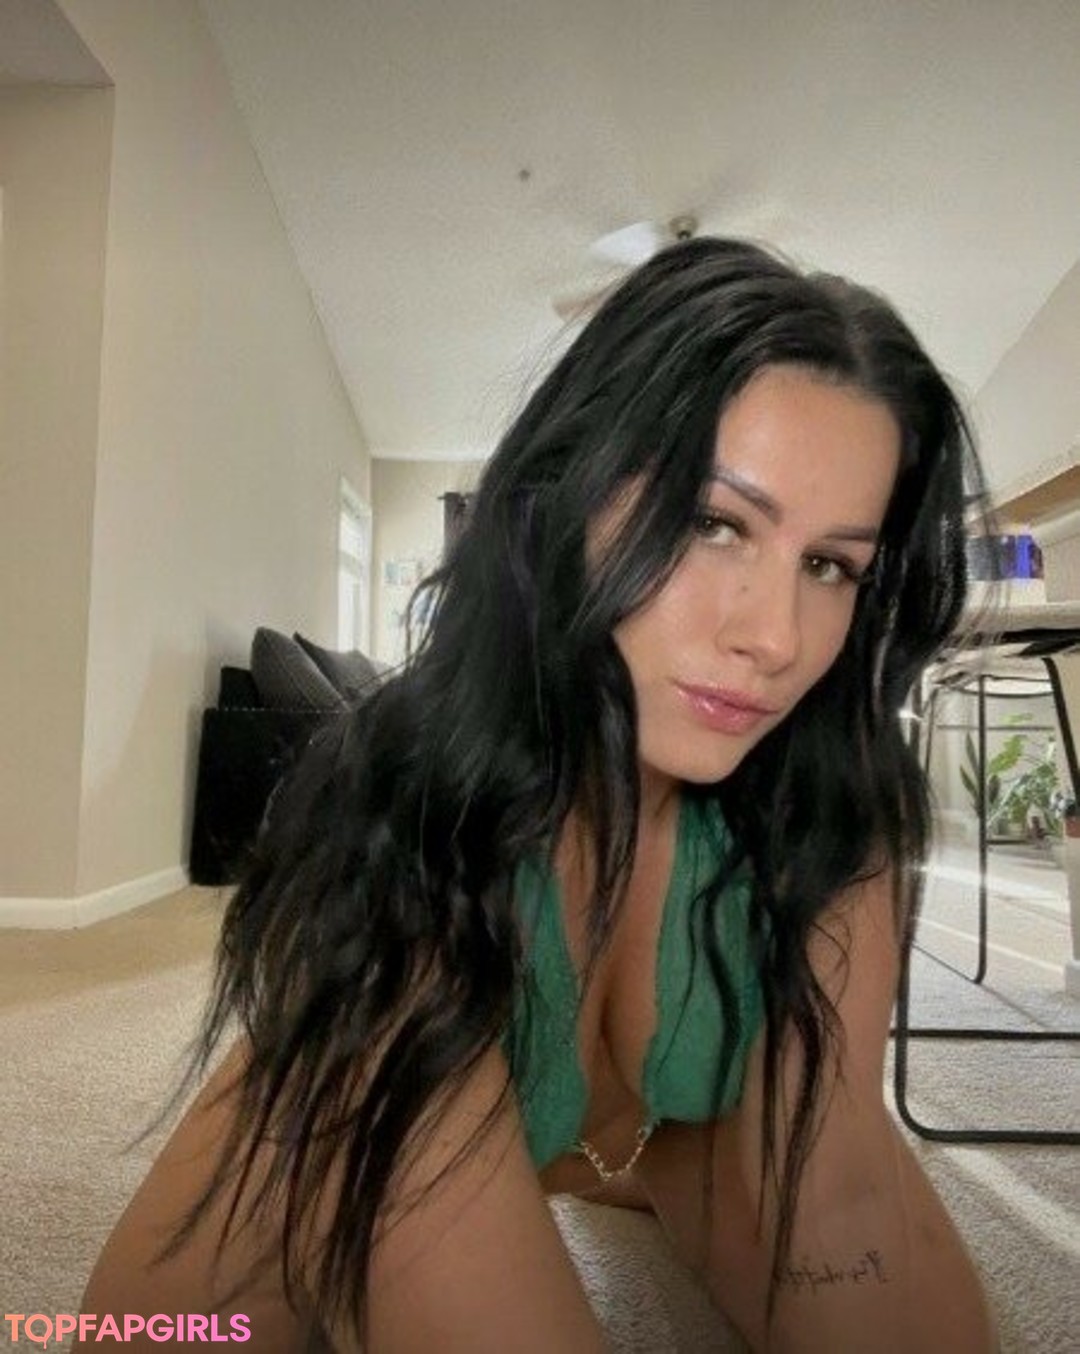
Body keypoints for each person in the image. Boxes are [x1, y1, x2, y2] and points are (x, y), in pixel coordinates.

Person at [80, 237, 997, 1352]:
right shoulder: (418, 816)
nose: (775, 636)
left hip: (634, 1143)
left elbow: (836, 1185)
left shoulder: (831, 811)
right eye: (714, 523)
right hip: (292, 1204)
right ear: (575, 490)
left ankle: (618, 1157)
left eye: (829, 565)